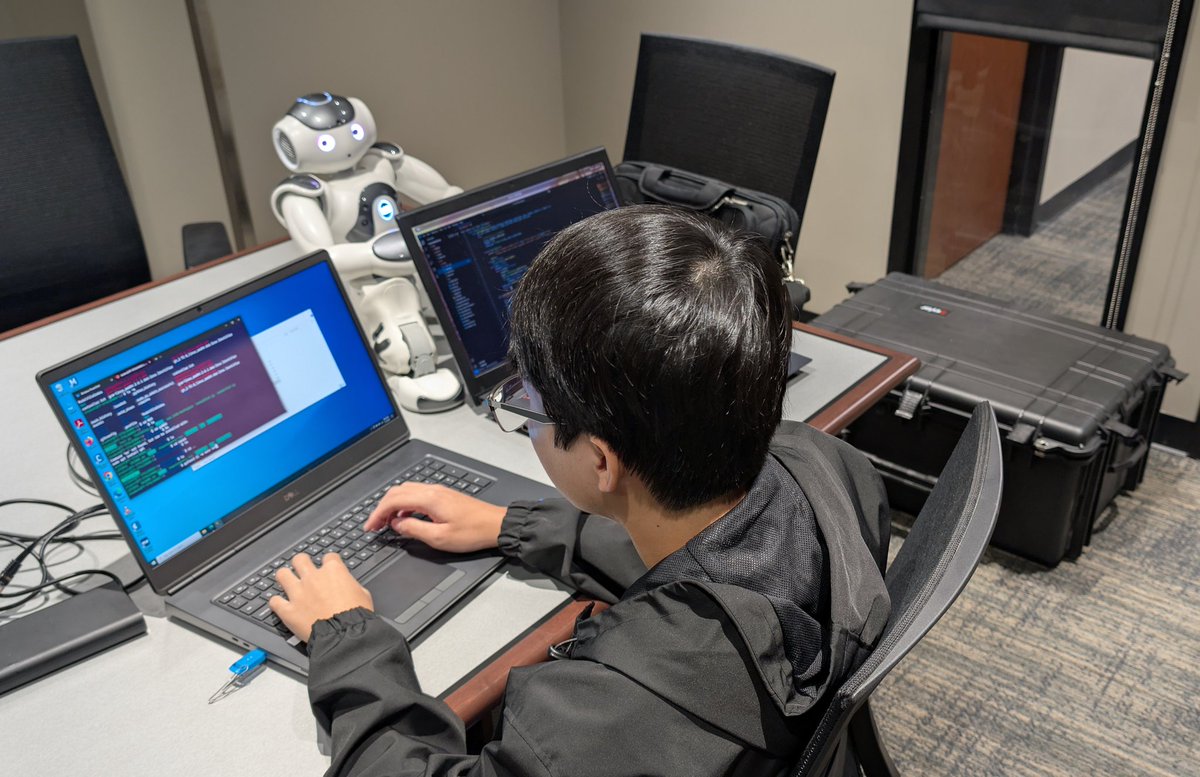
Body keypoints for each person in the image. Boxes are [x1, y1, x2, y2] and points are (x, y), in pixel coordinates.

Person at [268, 205, 891, 776]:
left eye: (528, 406)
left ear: (600, 460)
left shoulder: (599, 726)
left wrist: (349, 640)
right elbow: (719, 557)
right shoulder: (833, 469)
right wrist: (512, 526)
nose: (526, 422)